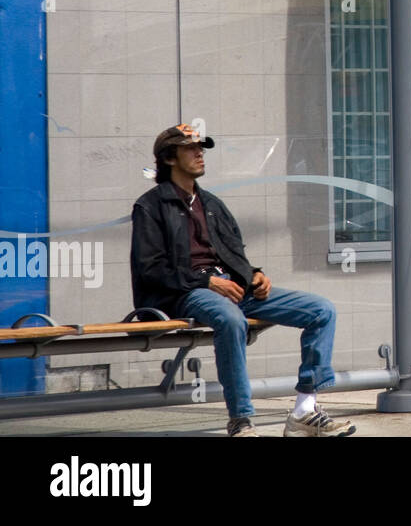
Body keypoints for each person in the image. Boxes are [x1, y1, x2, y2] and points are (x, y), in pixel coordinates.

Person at [130, 124, 356, 437]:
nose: (200, 154)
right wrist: (207, 283)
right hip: (185, 292)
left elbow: (233, 254)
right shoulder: (150, 206)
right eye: (190, 148)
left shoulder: (212, 205)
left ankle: (305, 410)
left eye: (201, 148)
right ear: (169, 158)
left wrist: (254, 275)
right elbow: (151, 269)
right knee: (231, 319)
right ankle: (241, 421)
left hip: (232, 288)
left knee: (321, 310)